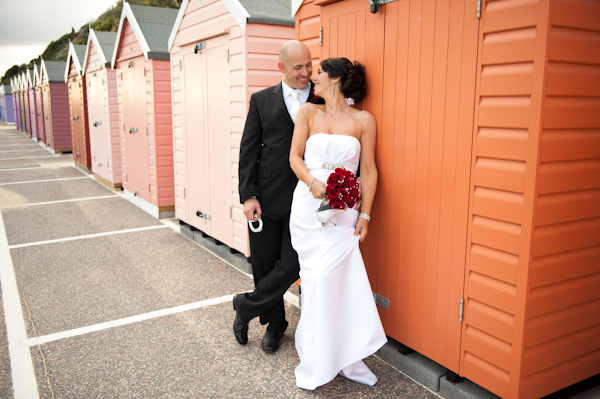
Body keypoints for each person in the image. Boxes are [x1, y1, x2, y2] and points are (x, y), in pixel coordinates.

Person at [288, 57, 387, 390]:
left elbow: (369, 171)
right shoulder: (308, 113)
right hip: (308, 206)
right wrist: (313, 184)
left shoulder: (364, 120)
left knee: (337, 281)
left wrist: (366, 215)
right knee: (315, 281)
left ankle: (346, 357)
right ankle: (319, 356)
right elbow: (294, 157)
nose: (313, 78)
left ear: (336, 79)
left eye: (319, 73)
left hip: (344, 210)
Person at [234, 40, 323, 353]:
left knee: (291, 265)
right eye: (297, 67)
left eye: (309, 64)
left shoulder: (322, 95)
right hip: (267, 196)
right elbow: (249, 150)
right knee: (264, 263)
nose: (305, 72)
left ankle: (245, 306)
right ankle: (275, 326)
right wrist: (248, 196)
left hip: (307, 198)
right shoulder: (261, 100)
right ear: (281, 68)